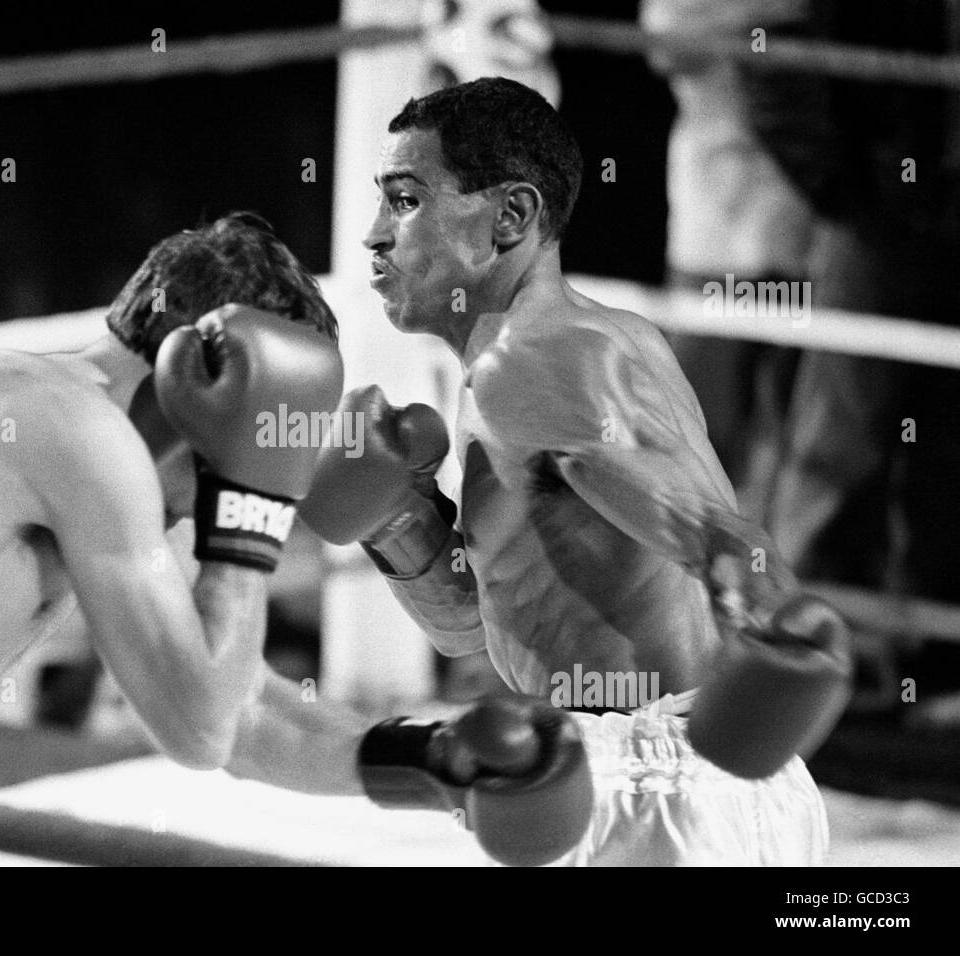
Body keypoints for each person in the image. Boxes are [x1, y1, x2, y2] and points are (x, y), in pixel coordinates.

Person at [0, 213, 590, 867]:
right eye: (269, 424)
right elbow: (198, 726)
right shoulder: (62, 427)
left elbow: (233, 713)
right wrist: (250, 502)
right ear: (200, 380)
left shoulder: (93, 451)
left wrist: (426, 762)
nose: (257, 466)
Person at [292, 78, 853, 865]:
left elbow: (714, 536)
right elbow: (471, 622)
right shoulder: (571, 350)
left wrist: (774, 629)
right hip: (677, 773)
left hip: (654, 779)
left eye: (407, 201)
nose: (375, 236)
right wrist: (396, 518)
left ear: (510, 217)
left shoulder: (531, 363)